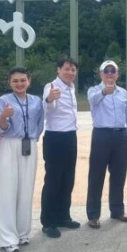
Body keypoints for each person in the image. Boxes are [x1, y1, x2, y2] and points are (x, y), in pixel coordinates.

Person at [0, 67, 44, 252]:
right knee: (7, 190)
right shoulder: (4, 100)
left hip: (29, 144)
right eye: (15, 81)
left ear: (29, 81)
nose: (19, 84)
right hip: (9, 144)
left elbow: (40, 123)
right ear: (9, 82)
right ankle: (8, 238)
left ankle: (23, 233)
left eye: (23, 80)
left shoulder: (36, 101)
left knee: (26, 189)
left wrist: (32, 138)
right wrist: (3, 116)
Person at [85, 60, 127, 229]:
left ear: (117, 74)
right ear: (101, 74)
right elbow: (93, 101)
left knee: (119, 174)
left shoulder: (123, 92)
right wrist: (104, 92)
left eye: (113, 71)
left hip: (120, 135)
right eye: (106, 71)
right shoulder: (94, 90)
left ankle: (117, 210)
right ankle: (93, 214)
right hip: (102, 135)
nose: (110, 74)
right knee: (96, 175)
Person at [40, 57, 81, 239]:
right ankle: (48, 222)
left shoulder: (71, 88)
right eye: (66, 69)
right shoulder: (51, 86)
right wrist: (50, 99)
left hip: (70, 136)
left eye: (73, 70)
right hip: (55, 137)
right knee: (53, 180)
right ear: (58, 69)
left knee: (67, 179)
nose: (70, 72)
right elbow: (48, 108)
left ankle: (63, 216)